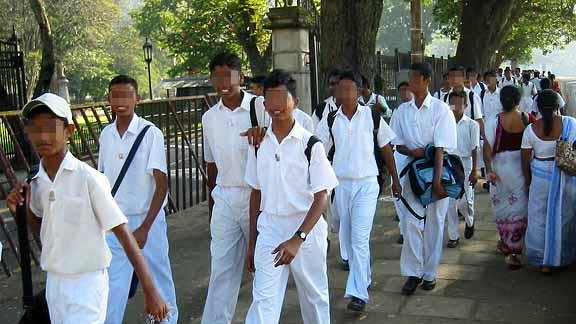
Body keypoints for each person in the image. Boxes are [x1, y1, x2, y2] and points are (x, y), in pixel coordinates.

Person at [8, 93, 168, 324]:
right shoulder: (37, 181)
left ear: (69, 131)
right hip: (55, 283)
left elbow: (124, 235)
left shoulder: (89, 179)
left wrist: (151, 290)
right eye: (36, 128)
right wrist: (20, 209)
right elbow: (42, 229)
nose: (43, 136)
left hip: (86, 285)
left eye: (51, 128)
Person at [244, 70, 338, 324]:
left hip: (305, 228)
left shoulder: (310, 145)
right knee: (263, 301)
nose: (275, 107)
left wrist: (298, 239)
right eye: (270, 100)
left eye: (281, 99)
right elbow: (256, 192)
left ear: (295, 102)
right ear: (264, 104)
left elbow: (322, 197)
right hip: (270, 229)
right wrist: (252, 242)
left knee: (314, 300)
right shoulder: (258, 143)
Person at [316, 70, 401, 312]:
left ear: (360, 90)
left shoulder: (372, 117)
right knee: (346, 236)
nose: (346, 93)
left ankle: (358, 294)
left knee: (359, 239)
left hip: (366, 184)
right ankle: (363, 278)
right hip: (341, 186)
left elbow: (386, 149)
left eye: (351, 88)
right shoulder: (331, 119)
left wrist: (395, 180)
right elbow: (318, 149)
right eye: (341, 88)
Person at [99, 76, 178, 324]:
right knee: (112, 285)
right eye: (116, 95)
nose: (121, 101)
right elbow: (103, 180)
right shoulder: (106, 134)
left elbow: (161, 183)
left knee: (157, 279)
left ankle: (165, 321)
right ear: (109, 99)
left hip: (147, 220)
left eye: (127, 95)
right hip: (115, 222)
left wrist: (145, 227)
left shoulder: (150, 133)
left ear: (137, 99)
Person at [201, 51, 269, 324]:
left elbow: (286, 137)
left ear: (240, 76)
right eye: (217, 75)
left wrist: (265, 135)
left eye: (229, 74)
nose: (223, 81)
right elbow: (211, 164)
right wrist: (212, 206)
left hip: (259, 197)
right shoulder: (209, 118)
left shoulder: (260, 106)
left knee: (262, 267)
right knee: (221, 269)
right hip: (225, 197)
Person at [390, 63, 457, 296]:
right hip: (411, 172)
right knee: (410, 222)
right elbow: (395, 143)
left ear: (427, 79)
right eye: (410, 77)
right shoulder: (402, 111)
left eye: (415, 77)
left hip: (437, 171)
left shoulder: (440, 110)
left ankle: (430, 273)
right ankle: (412, 272)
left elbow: (440, 148)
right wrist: (412, 152)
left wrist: (438, 181)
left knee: (436, 223)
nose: (411, 81)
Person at [522, 89, 576, 274]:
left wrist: (528, 182)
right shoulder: (570, 124)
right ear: (558, 106)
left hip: (540, 178)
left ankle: (543, 261)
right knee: (564, 217)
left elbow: (525, 160)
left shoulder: (531, 129)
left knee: (538, 218)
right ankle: (561, 258)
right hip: (564, 178)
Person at [483, 85, 533, 270]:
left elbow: (486, 150)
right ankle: (516, 248)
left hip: (500, 170)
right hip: (520, 169)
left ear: (501, 101)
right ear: (518, 100)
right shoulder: (526, 119)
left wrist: (489, 169)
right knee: (519, 208)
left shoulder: (493, 122)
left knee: (502, 209)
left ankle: (507, 244)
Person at [445, 91, 480, 248]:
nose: (455, 107)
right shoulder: (444, 122)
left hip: (465, 164)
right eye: (452, 103)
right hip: (448, 164)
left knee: (466, 201)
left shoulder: (473, 124)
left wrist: (475, 170)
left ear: (465, 106)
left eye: (459, 103)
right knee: (450, 202)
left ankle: (469, 220)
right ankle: (453, 236)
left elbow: (475, 148)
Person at [393, 81, 412, 245]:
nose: (405, 93)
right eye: (402, 90)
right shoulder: (398, 112)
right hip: (400, 157)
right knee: (399, 197)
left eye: (407, 89)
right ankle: (403, 229)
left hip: (417, 158)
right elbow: (392, 139)